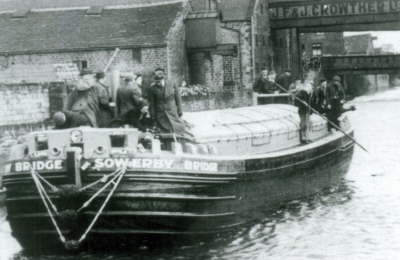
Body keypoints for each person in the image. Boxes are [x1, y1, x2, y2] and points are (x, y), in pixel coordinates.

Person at [147, 67, 193, 140]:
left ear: (164, 78)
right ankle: (168, 144)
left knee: (177, 127)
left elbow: (178, 98)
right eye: (156, 81)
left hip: (172, 111)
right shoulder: (152, 88)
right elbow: (152, 103)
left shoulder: (172, 84)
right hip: (161, 113)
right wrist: (153, 115)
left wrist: (180, 110)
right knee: (164, 130)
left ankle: (179, 141)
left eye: (159, 81)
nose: (158, 83)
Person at [293, 79, 313, 144]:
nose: (310, 87)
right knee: (303, 124)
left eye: (311, 86)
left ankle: (308, 137)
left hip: (308, 110)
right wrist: (303, 102)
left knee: (308, 124)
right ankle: (303, 138)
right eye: (309, 85)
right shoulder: (302, 92)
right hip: (302, 110)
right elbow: (297, 100)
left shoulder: (310, 93)